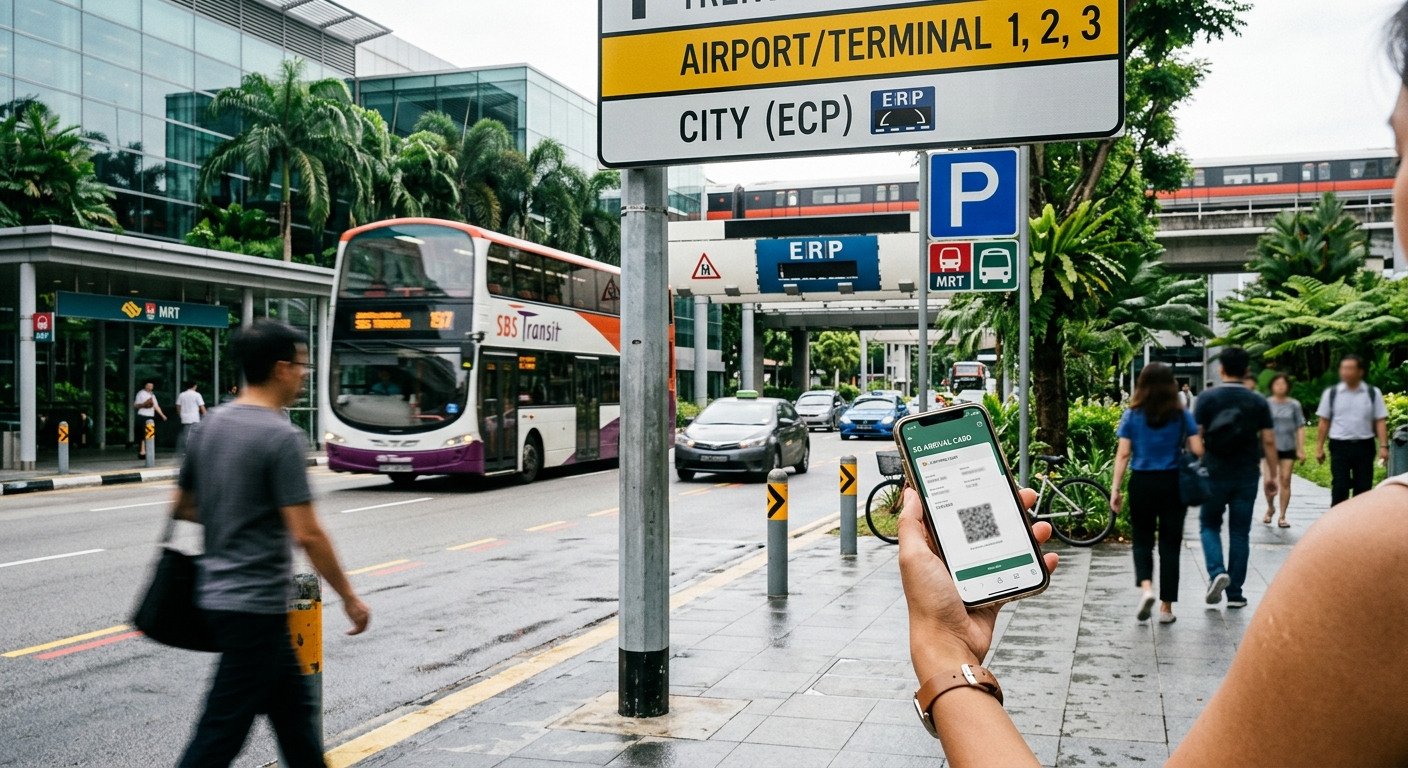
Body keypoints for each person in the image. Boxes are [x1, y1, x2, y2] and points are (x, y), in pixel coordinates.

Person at [896, 479, 1408, 767]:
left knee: (1149, 546)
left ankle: (1154, 594)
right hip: (1184, 492)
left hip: (1146, 488)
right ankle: (1166, 596)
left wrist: (943, 650)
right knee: (1169, 547)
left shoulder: (1383, 549)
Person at [173, 320, 370, 768]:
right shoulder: (280, 436)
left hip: (223, 599)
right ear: (281, 368)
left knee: (297, 723)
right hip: (254, 605)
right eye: (301, 365)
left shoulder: (208, 427)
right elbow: (307, 532)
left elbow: (183, 507)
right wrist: (351, 599)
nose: (304, 374)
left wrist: (235, 512)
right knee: (218, 735)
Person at [1110, 363, 1203, 624]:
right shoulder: (1180, 413)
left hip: (1142, 483)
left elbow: (1123, 454)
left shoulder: (1133, 414)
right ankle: (1166, 608)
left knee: (1142, 540)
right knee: (1170, 546)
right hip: (1173, 483)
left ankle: (1147, 589)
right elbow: (1197, 448)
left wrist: (1115, 489)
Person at [1194, 347, 1278, 609]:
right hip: (1246, 474)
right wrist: (1271, 476)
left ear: (1221, 369)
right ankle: (1236, 594)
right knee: (1240, 533)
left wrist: (1199, 461)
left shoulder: (1207, 399)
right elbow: (1269, 440)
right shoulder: (1258, 401)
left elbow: (1195, 435)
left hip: (1214, 473)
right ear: (1247, 370)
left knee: (1209, 524)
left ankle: (1217, 571)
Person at [1314, 354, 1389, 506]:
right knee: (1340, 487)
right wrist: (1319, 447)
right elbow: (1324, 421)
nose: (1345, 372)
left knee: (1363, 488)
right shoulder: (1332, 393)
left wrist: (1383, 446)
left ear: (1360, 371)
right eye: (1343, 368)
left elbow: (1380, 420)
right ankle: (1337, 522)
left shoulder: (1372, 393)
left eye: (1350, 368)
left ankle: (1358, 524)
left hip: (1364, 446)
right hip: (1339, 446)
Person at [1263, 373, 1306, 527]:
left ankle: (1282, 516)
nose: (1280, 386)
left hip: (1288, 447)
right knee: (1269, 482)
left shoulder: (1294, 405)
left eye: (1283, 383)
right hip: (1269, 448)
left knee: (1285, 479)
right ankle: (1270, 508)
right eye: (1277, 384)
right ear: (1272, 387)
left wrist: (1301, 449)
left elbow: (1300, 427)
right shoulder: (1266, 404)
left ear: (1288, 386)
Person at [133, 380, 167, 460]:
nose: (150, 387)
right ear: (145, 386)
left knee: (150, 434)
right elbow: (136, 405)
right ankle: (142, 452)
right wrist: (145, 405)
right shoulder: (141, 394)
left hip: (150, 416)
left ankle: (148, 451)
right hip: (143, 415)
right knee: (143, 435)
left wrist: (162, 415)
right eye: (149, 386)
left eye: (151, 386)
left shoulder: (152, 395)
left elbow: (156, 406)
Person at [175, 381, 206, 455]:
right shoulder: (197, 395)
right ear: (194, 386)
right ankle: (194, 449)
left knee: (186, 434)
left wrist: (180, 414)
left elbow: (178, 406)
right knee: (195, 434)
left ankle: (186, 450)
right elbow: (202, 407)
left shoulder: (182, 395)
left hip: (185, 417)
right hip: (194, 417)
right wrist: (206, 415)